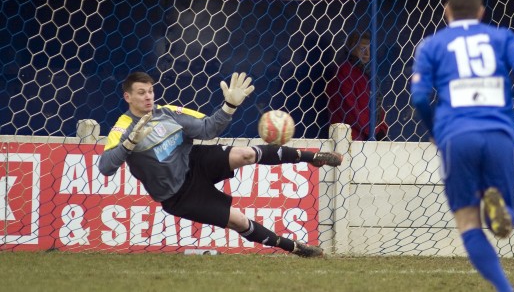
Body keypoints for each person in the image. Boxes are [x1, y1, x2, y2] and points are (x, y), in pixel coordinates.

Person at [98, 72, 343, 257]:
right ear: (128, 97)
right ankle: (295, 247)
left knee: (245, 154)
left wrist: (229, 105)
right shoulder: (122, 128)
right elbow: (105, 167)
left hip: (194, 162)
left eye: (150, 91)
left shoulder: (167, 113)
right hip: (178, 195)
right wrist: (128, 144)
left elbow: (208, 129)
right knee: (238, 220)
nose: (148, 96)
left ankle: (313, 158)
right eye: (141, 92)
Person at [410, 0, 514, 292]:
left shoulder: (431, 45)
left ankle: (505, 290)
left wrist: (434, 132)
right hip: (499, 134)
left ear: (446, 11)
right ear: (481, 11)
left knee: (468, 222)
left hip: (456, 137)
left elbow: (418, 98)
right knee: (505, 226)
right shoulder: (501, 37)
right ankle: (501, 207)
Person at [325, 31, 388, 141]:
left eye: (369, 49)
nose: (367, 53)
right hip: (349, 138)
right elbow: (349, 107)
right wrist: (374, 131)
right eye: (363, 48)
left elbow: (377, 106)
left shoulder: (367, 74)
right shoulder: (344, 72)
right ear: (352, 48)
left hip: (367, 137)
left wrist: (381, 129)